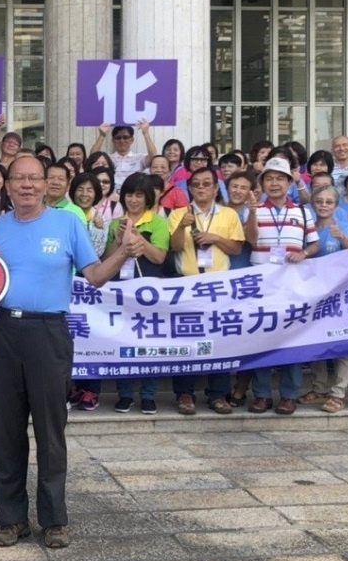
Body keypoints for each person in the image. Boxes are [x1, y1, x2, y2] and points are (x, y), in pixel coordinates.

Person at [0, 153, 146, 550]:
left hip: (49, 333)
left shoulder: (67, 223)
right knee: (6, 429)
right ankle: (10, 519)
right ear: (7, 186)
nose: (26, 185)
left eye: (34, 178)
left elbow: (93, 276)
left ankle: (54, 519)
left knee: (50, 428)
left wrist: (123, 252)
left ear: (47, 184)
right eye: (18, 178)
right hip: (6, 329)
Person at [167, 166, 245, 415]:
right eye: (196, 184)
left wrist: (215, 238)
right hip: (187, 284)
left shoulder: (229, 214)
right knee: (187, 337)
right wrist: (182, 226)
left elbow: (236, 249)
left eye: (206, 184)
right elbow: (175, 247)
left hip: (218, 285)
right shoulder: (178, 213)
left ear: (215, 188)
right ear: (189, 188)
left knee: (219, 339)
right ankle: (185, 393)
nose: (201, 188)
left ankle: (218, 394)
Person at [247, 157, 319, 415]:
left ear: (289, 182)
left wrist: (304, 254)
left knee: (292, 339)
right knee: (261, 337)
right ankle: (262, 394)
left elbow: (314, 244)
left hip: (292, 284)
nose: (274, 183)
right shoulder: (254, 209)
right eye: (269, 178)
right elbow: (251, 240)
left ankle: (289, 394)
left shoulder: (302, 211)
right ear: (262, 182)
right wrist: (253, 213)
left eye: (280, 178)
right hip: (262, 284)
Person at [106, 173, 170, 415]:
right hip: (121, 291)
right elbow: (106, 259)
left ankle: (148, 395)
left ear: (148, 198)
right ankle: (124, 394)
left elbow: (159, 257)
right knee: (121, 340)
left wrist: (138, 238)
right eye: (130, 194)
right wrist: (120, 240)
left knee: (149, 343)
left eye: (139, 195)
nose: (133, 200)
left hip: (148, 292)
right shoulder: (115, 223)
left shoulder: (158, 223)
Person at [299, 186, 348, 413]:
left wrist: (342, 237)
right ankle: (319, 387)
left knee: (341, 342)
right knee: (317, 342)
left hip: (340, 293)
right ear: (313, 204)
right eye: (320, 201)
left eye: (329, 202)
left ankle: (338, 392)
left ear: (336, 205)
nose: (324, 205)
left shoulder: (341, 226)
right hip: (314, 294)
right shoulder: (309, 228)